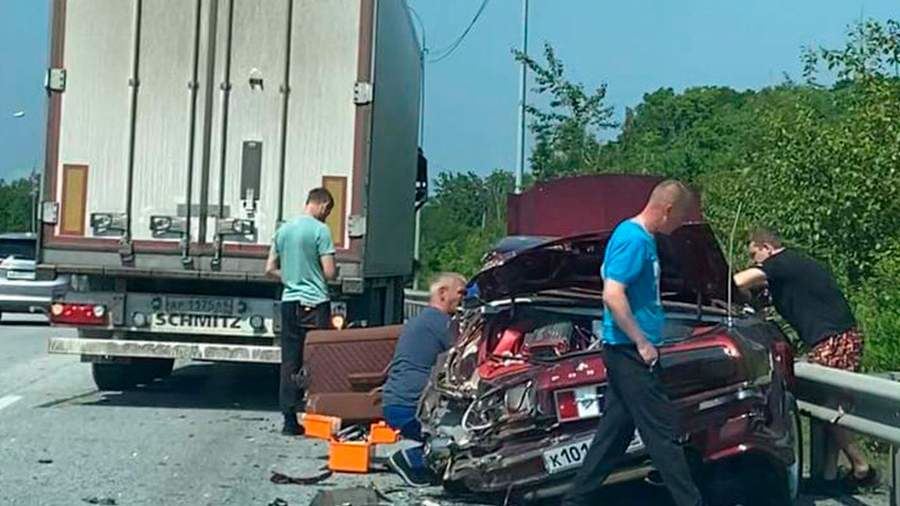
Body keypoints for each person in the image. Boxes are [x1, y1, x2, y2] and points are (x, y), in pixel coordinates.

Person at [562, 180, 703, 506]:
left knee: (614, 436)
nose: (680, 224)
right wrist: (641, 342)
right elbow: (612, 293)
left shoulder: (639, 238)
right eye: (680, 216)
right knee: (662, 434)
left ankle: (575, 500)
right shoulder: (633, 239)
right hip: (629, 351)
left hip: (625, 349)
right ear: (667, 210)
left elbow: (607, 274)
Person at [733, 227, 876, 492]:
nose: (755, 261)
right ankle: (831, 476)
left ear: (766, 247)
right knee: (831, 405)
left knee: (828, 404)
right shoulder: (793, 268)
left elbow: (738, 282)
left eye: (755, 254)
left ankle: (861, 466)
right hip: (837, 336)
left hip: (834, 339)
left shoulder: (781, 262)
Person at [382, 272, 467, 487]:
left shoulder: (422, 319)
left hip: (396, 403)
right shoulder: (443, 324)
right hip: (410, 407)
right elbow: (467, 355)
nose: (464, 298)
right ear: (442, 293)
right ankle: (411, 459)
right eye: (460, 292)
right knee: (467, 436)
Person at [265, 188, 337, 436]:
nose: (327, 216)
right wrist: (313, 275)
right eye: (328, 211)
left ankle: (289, 419)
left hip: (289, 301)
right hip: (315, 302)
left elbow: (269, 268)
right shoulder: (320, 231)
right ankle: (317, 415)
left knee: (290, 360)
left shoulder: (283, 230)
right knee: (318, 359)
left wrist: (291, 279)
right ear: (323, 205)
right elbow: (329, 273)